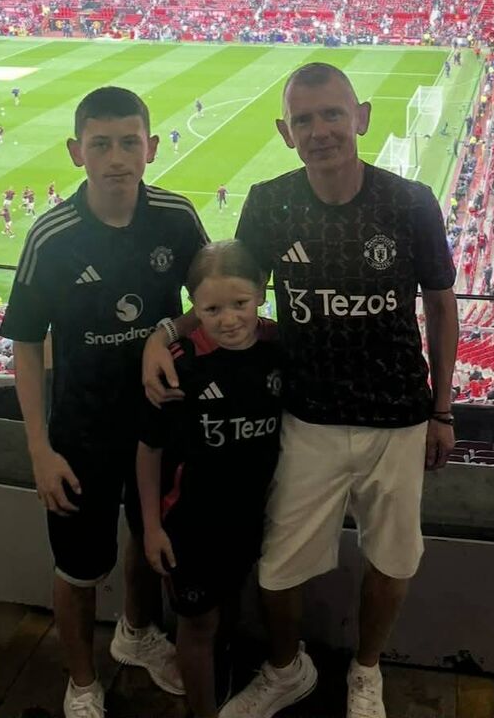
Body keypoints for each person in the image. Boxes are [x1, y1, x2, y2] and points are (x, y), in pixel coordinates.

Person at [144, 62, 458, 718]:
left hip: (398, 416)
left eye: (332, 114)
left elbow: (439, 304)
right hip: (306, 414)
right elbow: (230, 287)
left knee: (394, 557)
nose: (320, 130)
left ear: (360, 117)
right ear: (286, 132)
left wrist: (441, 410)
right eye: (305, 120)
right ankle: (287, 668)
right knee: (279, 566)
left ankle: (365, 671)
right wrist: (162, 333)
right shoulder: (269, 200)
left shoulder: (409, 202)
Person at [1, 86, 208, 718]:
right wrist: (39, 449)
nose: (116, 157)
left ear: (149, 146)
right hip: (81, 432)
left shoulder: (176, 216)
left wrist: (163, 332)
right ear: (76, 151)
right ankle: (83, 682)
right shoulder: (53, 236)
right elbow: (28, 346)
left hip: (160, 422)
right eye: (100, 144)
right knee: (77, 568)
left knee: (153, 537)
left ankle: (137, 633)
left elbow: (211, 301)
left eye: (128, 142)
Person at [138, 241, 280, 718]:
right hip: (189, 526)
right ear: (192, 307)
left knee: (232, 608)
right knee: (198, 624)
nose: (228, 319)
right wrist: (153, 528)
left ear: (261, 294)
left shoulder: (279, 349)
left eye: (239, 304)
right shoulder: (179, 363)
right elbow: (150, 448)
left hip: (248, 518)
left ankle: (222, 687)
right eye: (211, 309)